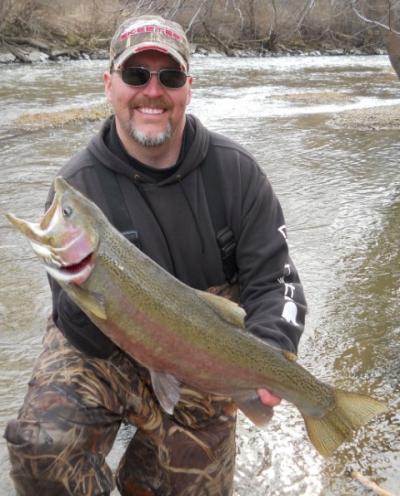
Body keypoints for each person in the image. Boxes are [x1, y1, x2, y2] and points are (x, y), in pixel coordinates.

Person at [4, 14, 307, 496]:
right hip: (103, 355)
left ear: (188, 86)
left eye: (168, 77)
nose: (152, 91)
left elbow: (277, 281)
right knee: (42, 445)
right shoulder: (78, 189)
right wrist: (86, 287)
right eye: (134, 75)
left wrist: (271, 351)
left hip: (203, 361)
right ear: (109, 84)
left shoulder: (237, 174)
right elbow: (79, 332)